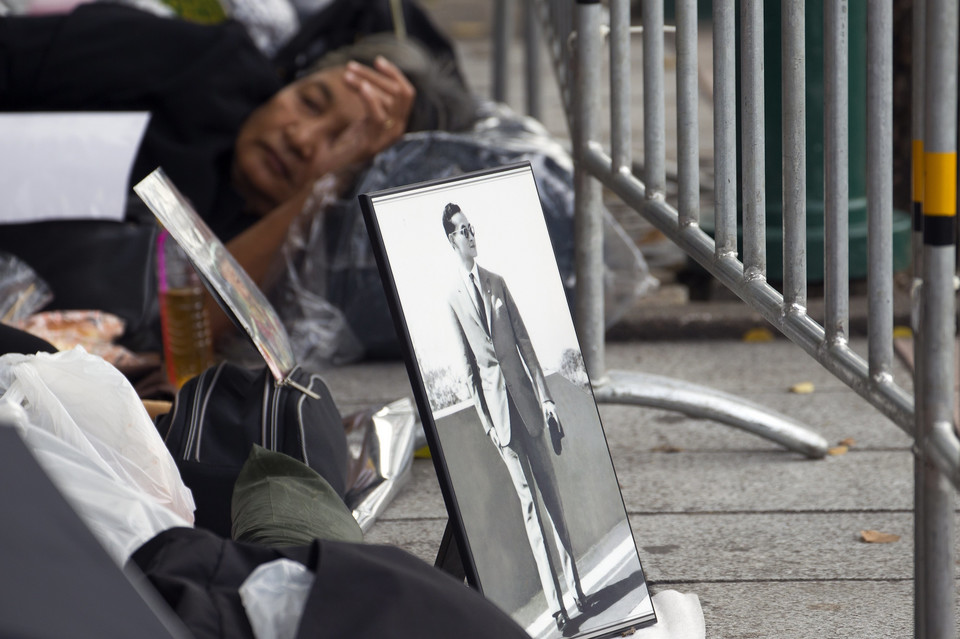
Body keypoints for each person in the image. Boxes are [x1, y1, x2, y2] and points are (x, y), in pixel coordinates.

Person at [0, 2, 476, 348]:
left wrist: (327, 186)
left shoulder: (283, 255)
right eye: (310, 101)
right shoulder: (195, 64)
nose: (302, 138)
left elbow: (189, 321)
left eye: (342, 145)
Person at [442, 202, 590, 632]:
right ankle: (559, 607)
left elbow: (524, 344)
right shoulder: (452, 299)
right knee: (530, 509)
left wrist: (546, 399)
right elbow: (469, 370)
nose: (471, 233)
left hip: (527, 408)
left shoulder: (498, 284)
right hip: (501, 423)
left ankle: (577, 588)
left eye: (472, 226)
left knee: (553, 500)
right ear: (452, 239)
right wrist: (487, 423)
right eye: (463, 230)